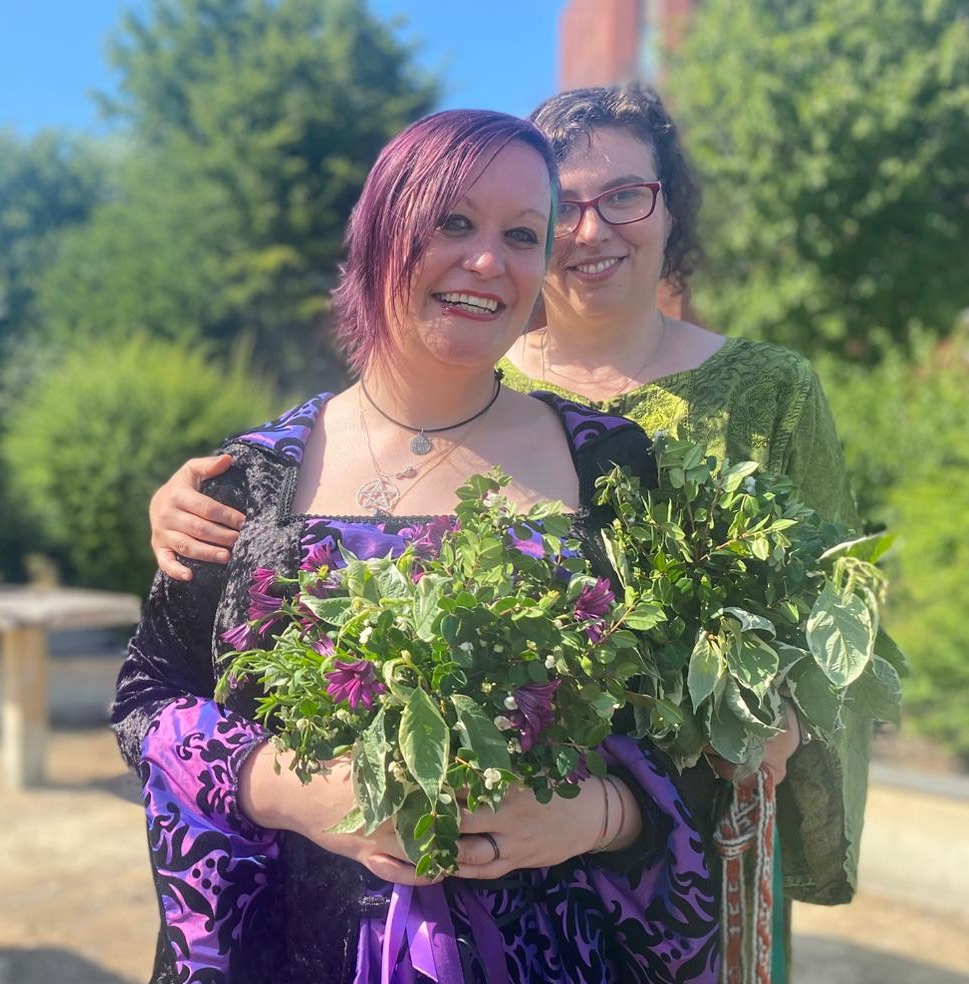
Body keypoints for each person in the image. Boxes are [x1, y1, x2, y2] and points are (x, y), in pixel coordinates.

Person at [149, 84, 869, 984]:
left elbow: (734, 675)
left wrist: (620, 803)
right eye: (456, 221)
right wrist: (287, 785)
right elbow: (162, 690)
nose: (494, 258)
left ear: (669, 207)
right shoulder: (295, 454)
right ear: (382, 230)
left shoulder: (630, 454)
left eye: (624, 197)